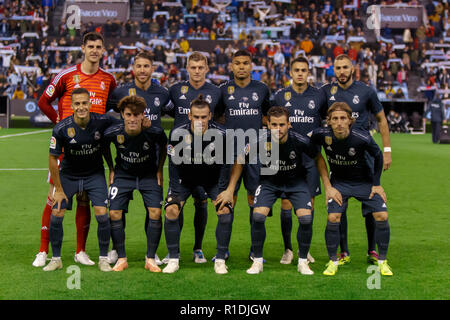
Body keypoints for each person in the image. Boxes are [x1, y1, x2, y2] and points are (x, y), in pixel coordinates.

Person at [33, 32, 117, 267]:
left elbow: (111, 108)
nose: (94, 50)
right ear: (83, 48)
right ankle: (43, 250)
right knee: (54, 198)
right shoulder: (67, 75)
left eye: (98, 46)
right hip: (65, 150)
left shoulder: (109, 79)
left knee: (85, 199)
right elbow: (43, 101)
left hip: (92, 150)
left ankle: (81, 251)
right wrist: (59, 122)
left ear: (103, 50)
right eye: (90, 46)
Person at [216, 106, 319, 275]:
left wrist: (327, 185)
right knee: (257, 216)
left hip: (295, 183)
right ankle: (257, 261)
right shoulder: (260, 141)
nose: (278, 129)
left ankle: (302, 262)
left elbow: (318, 158)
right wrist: (230, 188)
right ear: (268, 125)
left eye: (282, 125)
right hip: (270, 182)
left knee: (306, 219)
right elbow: (240, 160)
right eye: (274, 125)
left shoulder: (300, 141)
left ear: (289, 124)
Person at [320, 54, 391, 266]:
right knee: (340, 203)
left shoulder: (366, 91)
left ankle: (372, 249)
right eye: (337, 68)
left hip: (366, 156)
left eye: (345, 67)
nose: (341, 71)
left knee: (371, 203)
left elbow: (382, 120)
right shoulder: (326, 91)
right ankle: (344, 252)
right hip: (338, 157)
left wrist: (386, 150)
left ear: (353, 68)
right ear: (333, 70)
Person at [310, 102, 393, 276]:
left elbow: (378, 156)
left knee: (382, 215)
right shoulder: (320, 135)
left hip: (365, 183)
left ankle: (382, 261)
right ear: (329, 122)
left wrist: (376, 184)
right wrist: (328, 186)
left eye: (342, 118)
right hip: (339, 184)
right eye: (335, 119)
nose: (339, 122)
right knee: (333, 217)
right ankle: (333, 261)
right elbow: (312, 151)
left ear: (350, 120)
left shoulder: (362, 137)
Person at [106, 51, 171, 265]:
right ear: (133, 68)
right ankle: (117, 249)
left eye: (146, 66)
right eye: (139, 66)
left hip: (150, 162)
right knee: (118, 208)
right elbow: (103, 113)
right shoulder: (120, 92)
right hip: (126, 159)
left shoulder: (162, 93)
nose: (142, 70)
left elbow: (177, 113)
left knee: (151, 208)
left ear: (153, 69)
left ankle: (151, 253)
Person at [43, 87, 115, 272]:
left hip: (94, 174)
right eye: (77, 104)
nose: (81, 107)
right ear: (72, 105)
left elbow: (124, 124)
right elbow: (52, 159)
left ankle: (103, 258)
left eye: (84, 103)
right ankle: (56, 258)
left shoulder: (103, 121)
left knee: (101, 212)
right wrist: (58, 189)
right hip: (69, 175)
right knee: (57, 212)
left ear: (90, 104)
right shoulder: (61, 128)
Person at [163, 52, 222, 264]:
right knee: (176, 203)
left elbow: (220, 117)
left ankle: (198, 248)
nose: (197, 71)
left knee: (201, 201)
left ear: (206, 68)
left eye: (201, 67)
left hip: (206, 157)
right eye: (193, 67)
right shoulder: (176, 90)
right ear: (187, 68)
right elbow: (167, 110)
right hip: (181, 155)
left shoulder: (216, 91)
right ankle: (174, 252)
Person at [163, 94, 231, 274]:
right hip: (185, 180)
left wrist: (223, 191)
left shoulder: (222, 135)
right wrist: (175, 193)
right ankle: (173, 258)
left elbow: (226, 165)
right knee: (171, 209)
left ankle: (220, 260)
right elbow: (172, 164)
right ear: (190, 116)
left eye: (204, 116)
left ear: (210, 116)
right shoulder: (178, 134)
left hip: (212, 180)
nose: (200, 120)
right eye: (196, 117)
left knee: (224, 210)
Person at [214, 49, 271, 261]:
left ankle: (256, 252)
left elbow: (267, 116)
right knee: (227, 201)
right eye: (237, 63)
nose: (241, 67)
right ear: (231, 66)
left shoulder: (262, 89)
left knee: (254, 201)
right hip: (228, 153)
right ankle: (223, 251)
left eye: (245, 63)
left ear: (251, 66)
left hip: (256, 154)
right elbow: (217, 116)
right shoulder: (223, 90)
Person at [271, 56, 327, 265]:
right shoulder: (280, 96)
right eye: (297, 70)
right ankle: (287, 249)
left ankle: (306, 249)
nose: (301, 73)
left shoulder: (319, 95)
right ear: (291, 73)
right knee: (286, 203)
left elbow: (325, 119)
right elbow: (269, 120)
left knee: (309, 205)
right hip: (286, 159)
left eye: (304, 70)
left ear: (308, 72)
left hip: (310, 159)